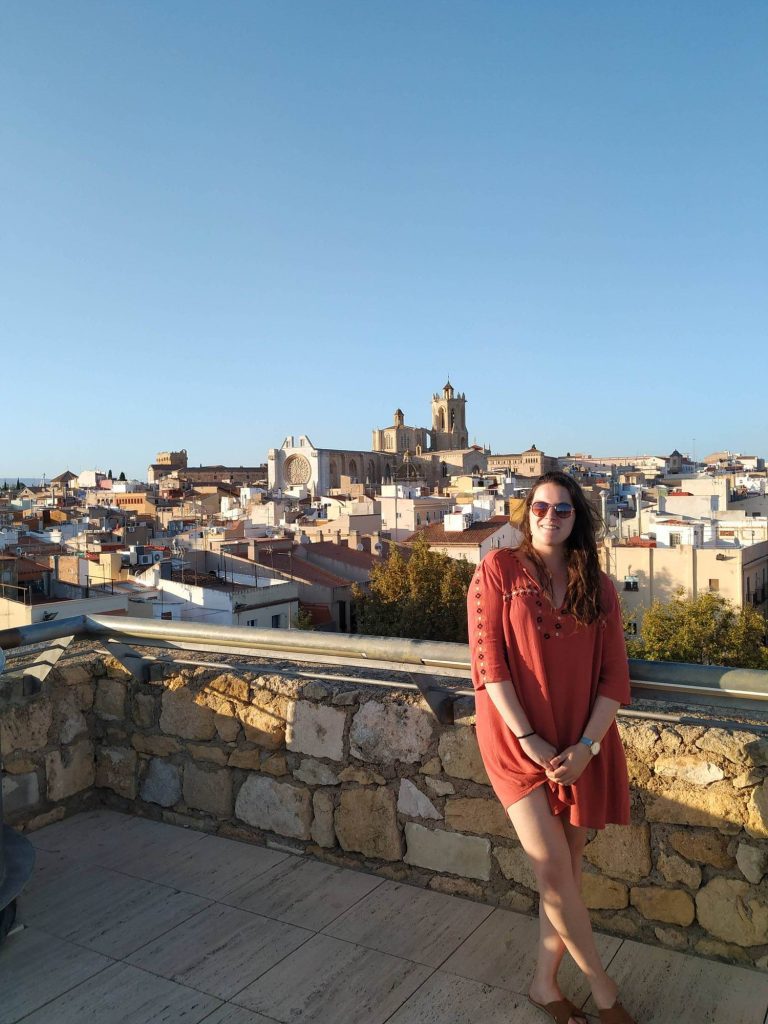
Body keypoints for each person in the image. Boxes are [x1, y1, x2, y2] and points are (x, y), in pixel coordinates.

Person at [468, 472, 636, 1024]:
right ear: (526, 513)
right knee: (552, 871)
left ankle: (544, 984)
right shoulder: (499, 569)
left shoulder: (600, 587)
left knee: (565, 873)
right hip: (517, 742)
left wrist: (587, 746)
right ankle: (604, 989)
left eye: (561, 510)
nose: (548, 517)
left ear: (576, 519)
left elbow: (615, 678)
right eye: (539, 508)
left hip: (578, 745)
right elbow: (489, 663)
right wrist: (528, 736)